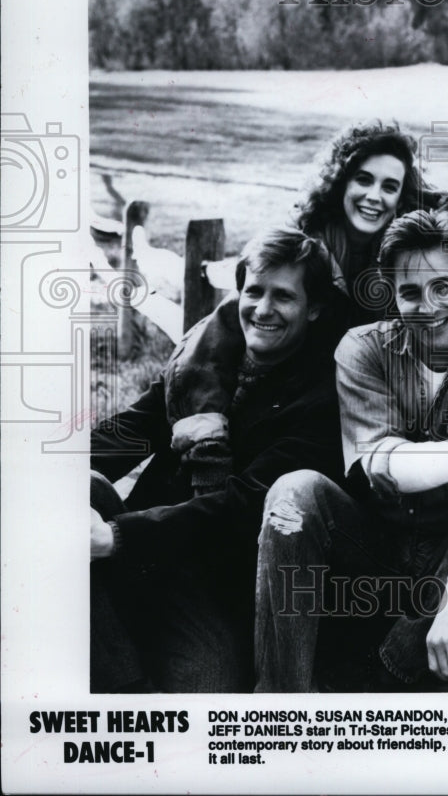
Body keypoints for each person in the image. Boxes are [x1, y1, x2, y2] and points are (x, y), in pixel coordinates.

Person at [254, 208, 448, 692]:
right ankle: (280, 699)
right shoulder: (364, 348)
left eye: (444, 287)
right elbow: (379, 464)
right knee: (296, 492)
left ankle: (396, 667)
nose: (429, 305)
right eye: (410, 292)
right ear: (391, 294)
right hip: (379, 552)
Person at [90, 228, 344, 692]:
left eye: (283, 297)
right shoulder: (206, 363)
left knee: (206, 692)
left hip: (210, 584)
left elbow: (243, 507)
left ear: (314, 308)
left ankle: (120, 666)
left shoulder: (321, 399)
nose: (263, 309)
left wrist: (115, 537)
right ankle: (124, 680)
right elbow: (130, 430)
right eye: (254, 292)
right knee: (76, 484)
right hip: (143, 550)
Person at [162, 120, 448, 496]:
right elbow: (220, 332)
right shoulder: (304, 241)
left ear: (402, 196)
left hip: (363, 410)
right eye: (363, 179)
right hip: (291, 404)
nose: (374, 196)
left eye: (389, 186)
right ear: (341, 182)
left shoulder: (402, 256)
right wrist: (207, 440)